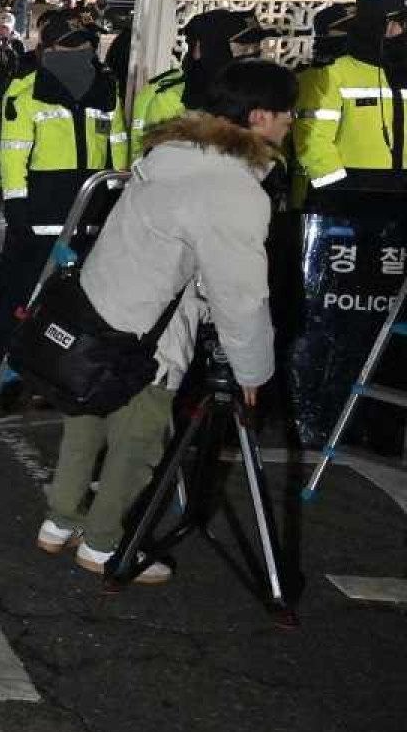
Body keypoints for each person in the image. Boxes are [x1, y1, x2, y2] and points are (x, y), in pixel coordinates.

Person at [39, 60, 295, 582]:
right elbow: (239, 294)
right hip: (146, 335)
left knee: (84, 416)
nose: (294, 121)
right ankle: (104, 546)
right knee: (139, 441)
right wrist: (253, 371)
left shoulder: (173, 155)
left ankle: (59, 522)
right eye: (289, 111)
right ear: (260, 116)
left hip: (96, 314)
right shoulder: (232, 188)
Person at [0, 9, 127, 367]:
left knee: (80, 303)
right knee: (23, 296)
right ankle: (7, 367)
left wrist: (117, 195)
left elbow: (118, 145)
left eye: (86, 42)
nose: (81, 50)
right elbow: (13, 154)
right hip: (41, 215)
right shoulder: (25, 90)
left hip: (91, 214)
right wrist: (16, 204)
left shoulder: (106, 87)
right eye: (70, 44)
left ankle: (64, 368)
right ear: (48, 48)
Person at [295, 0, 407, 199]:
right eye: (403, 24)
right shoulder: (332, 73)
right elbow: (312, 141)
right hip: (351, 199)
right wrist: (341, 192)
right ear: (379, 25)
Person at [128, 8, 274, 157]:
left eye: (256, 49)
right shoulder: (172, 98)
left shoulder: (260, 96)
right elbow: (164, 166)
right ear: (200, 48)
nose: (251, 56)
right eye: (242, 49)